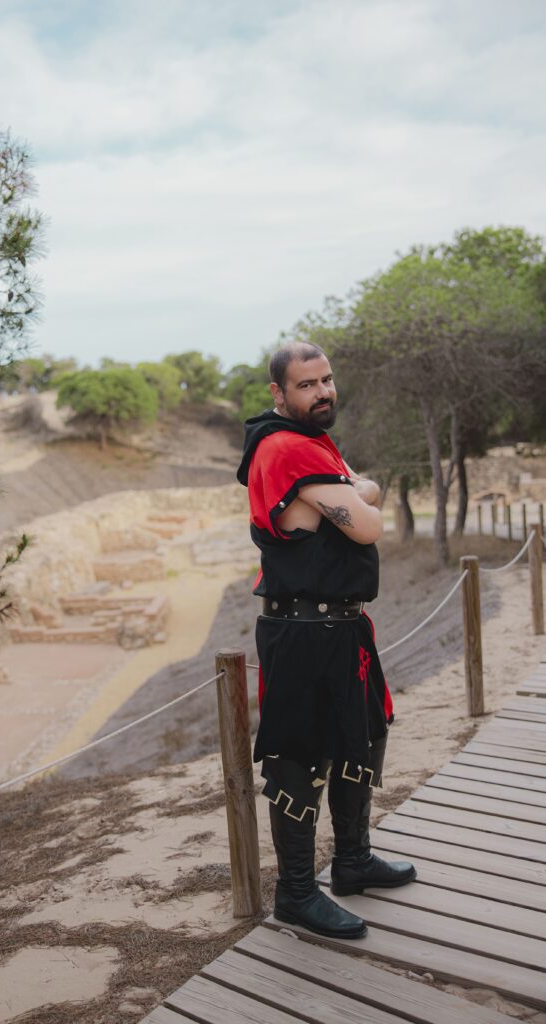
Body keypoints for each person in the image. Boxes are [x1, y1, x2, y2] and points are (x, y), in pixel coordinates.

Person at [236, 340, 415, 940]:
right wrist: (358, 490)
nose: (323, 392)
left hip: (340, 625)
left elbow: (362, 499)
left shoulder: (311, 442)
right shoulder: (285, 447)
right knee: (300, 756)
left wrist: (353, 488)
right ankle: (294, 892)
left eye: (327, 380)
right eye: (308, 384)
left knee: (362, 733)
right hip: (304, 630)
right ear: (279, 393)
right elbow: (368, 521)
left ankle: (354, 861)